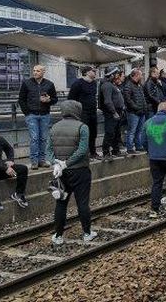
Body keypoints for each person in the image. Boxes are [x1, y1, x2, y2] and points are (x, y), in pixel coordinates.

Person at [48, 100, 97, 244]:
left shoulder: (54, 127)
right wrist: (66, 163)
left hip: (61, 174)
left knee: (61, 203)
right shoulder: (82, 127)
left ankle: (58, 236)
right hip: (80, 171)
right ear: (77, 111)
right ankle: (87, 233)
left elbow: (48, 151)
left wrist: (56, 163)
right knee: (82, 203)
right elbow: (82, 151)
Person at [18, 64, 58, 169]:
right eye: (34, 70)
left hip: (45, 115)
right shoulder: (26, 83)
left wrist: (49, 100)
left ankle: (42, 160)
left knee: (44, 138)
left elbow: (55, 99)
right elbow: (21, 99)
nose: (35, 72)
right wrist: (27, 113)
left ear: (43, 72)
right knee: (34, 138)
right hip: (32, 115)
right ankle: (34, 161)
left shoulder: (49, 84)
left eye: (38, 71)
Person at [0, 121, 29, 211]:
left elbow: (9, 149)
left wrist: (10, 160)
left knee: (23, 169)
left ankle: (19, 194)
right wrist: (5, 168)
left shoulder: (0, 140)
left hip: (1, 166)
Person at [68, 66, 100, 159]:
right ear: (86, 73)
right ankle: (83, 153)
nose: (94, 72)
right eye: (93, 71)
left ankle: (93, 152)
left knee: (93, 133)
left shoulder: (94, 83)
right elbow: (71, 99)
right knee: (83, 133)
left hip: (93, 112)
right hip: (82, 113)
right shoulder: (77, 84)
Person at [99, 67, 125, 161]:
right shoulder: (106, 85)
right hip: (111, 113)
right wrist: (113, 112)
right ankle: (106, 152)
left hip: (117, 112)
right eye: (116, 74)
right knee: (110, 132)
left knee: (116, 132)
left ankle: (116, 150)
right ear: (112, 74)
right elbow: (107, 101)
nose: (118, 75)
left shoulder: (111, 84)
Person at [122, 69, 147, 154]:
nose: (142, 76)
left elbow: (142, 98)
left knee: (139, 131)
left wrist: (144, 107)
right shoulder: (128, 85)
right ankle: (129, 148)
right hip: (133, 112)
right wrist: (136, 107)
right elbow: (128, 100)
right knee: (132, 130)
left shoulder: (139, 85)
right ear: (136, 75)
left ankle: (138, 146)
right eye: (141, 75)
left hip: (141, 112)